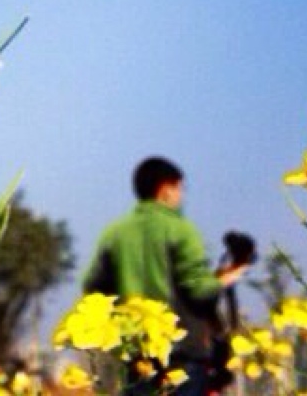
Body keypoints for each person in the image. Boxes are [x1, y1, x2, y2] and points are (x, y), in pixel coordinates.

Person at [83, 157, 249, 396]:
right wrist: (228, 277)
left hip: (137, 356)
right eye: (179, 188)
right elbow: (199, 290)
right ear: (165, 189)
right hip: (184, 355)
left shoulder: (116, 232)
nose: (180, 195)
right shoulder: (180, 229)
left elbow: (93, 289)